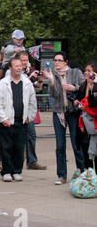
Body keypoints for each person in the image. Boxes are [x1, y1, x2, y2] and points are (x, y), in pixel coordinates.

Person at [43, 51, 85, 185]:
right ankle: (62, 175)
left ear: (66, 62)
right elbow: (53, 95)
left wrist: (74, 87)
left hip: (73, 112)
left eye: (60, 60)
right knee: (60, 145)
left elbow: (83, 89)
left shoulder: (75, 72)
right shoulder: (53, 74)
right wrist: (51, 80)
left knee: (76, 144)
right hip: (59, 112)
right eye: (55, 60)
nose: (57, 63)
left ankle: (82, 173)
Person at [0, 57, 37, 182]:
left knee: (19, 147)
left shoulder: (27, 83)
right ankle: (6, 171)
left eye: (20, 66)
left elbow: (32, 102)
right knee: (6, 147)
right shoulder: (2, 84)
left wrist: (29, 116)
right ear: (10, 68)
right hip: (6, 121)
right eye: (16, 66)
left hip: (21, 120)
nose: (19, 68)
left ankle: (17, 171)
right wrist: (3, 119)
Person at [17, 52, 47, 170]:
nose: (24, 63)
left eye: (26, 60)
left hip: (27, 110)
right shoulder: (13, 72)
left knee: (31, 135)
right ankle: (5, 159)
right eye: (22, 60)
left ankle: (32, 162)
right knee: (14, 136)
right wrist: (28, 78)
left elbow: (37, 88)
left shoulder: (29, 72)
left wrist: (40, 80)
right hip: (16, 109)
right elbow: (19, 86)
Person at [76, 62, 97, 171]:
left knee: (95, 152)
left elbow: (92, 105)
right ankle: (89, 176)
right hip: (84, 124)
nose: (86, 73)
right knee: (85, 151)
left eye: (89, 71)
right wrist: (77, 103)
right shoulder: (83, 86)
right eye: (85, 70)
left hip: (94, 124)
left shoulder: (95, 87)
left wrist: (91, 87)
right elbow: (82, 101)